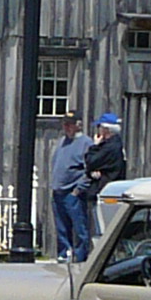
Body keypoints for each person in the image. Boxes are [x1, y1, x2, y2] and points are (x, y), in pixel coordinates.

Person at [48, 111, 94, 262]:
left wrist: (78, 189)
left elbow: (90, 170)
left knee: (79, 228)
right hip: (58, 191)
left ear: (78, 125)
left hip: (72, 192)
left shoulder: (86, 143)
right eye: (65, 124)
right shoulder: (62, 142)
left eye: (70, 124)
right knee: (61, 228)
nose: (66, 127)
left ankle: (80, 258)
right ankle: (64, 255)